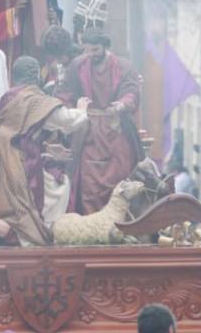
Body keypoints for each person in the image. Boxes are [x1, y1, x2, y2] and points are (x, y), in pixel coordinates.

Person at [0, 56, 90, 245]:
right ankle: (41, 228)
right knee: (36, 213)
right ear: (36, 75)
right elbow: (67, 120)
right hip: (15, 166)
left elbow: (18, 133)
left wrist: (45, 148)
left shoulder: (9, 97)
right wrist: (82, 110)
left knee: (8, 210)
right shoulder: (33, 100)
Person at [56, 28, 143, 214]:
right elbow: (65, 93)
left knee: (120, 176)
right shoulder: (77, 66)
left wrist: (120, 105)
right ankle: (89, 223)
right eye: (87, 50)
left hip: (115, 130)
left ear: (105, 46)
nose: (90, 54)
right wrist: (74, 108)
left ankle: (119, 224)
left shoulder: (123, 66)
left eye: (95, 50)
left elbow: (132, 92)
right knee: (89, 182)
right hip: (88, 132)